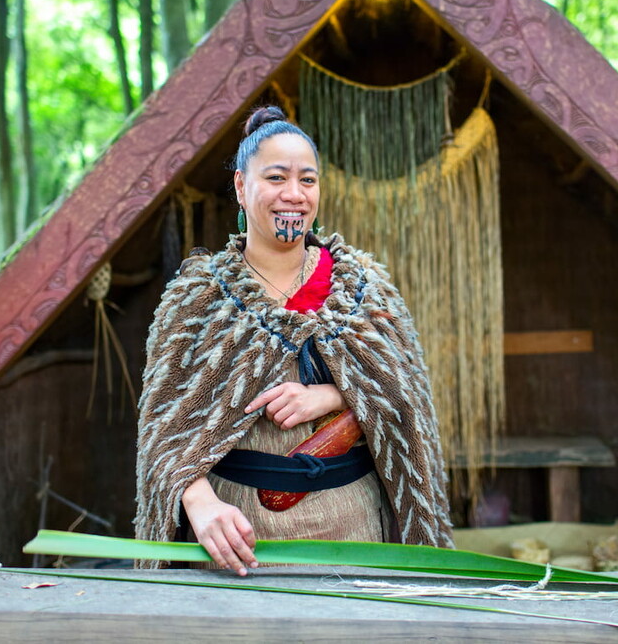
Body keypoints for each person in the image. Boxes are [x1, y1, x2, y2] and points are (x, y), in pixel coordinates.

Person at [135, 106, 453, 574]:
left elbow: (410, 400)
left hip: (356, 533)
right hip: (237, 539)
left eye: (308, 180)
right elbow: (162, 429)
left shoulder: (363, 287)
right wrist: (201, 506)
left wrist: (332, 394)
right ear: (242, 187)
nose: (294, 195)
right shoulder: (198, 297)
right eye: (277, 178)